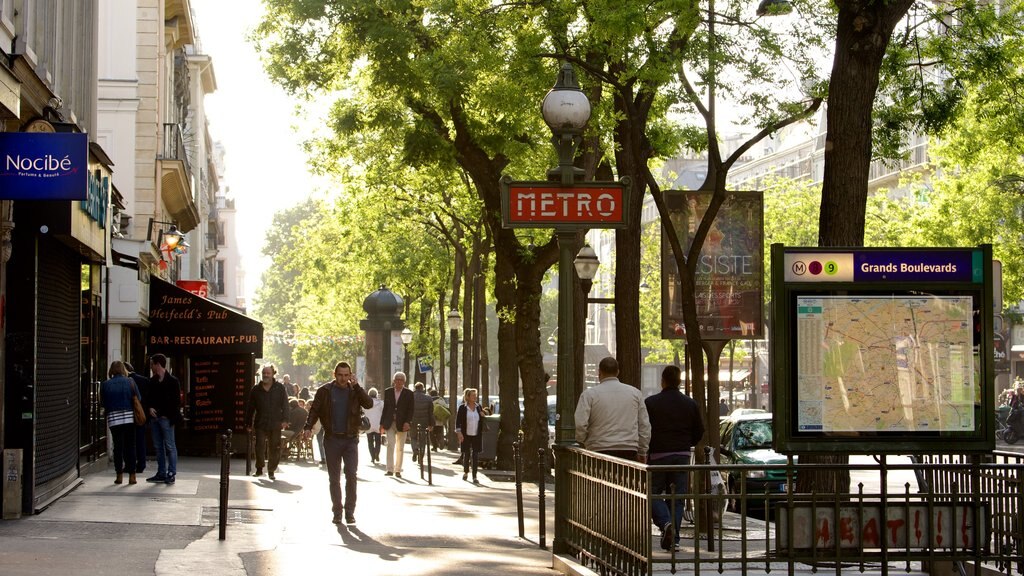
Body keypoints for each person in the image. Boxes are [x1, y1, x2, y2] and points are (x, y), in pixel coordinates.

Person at [303, 361, 372, 524]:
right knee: (334, 478)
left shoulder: (354, 391)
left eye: (346, 375)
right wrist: (308, 427)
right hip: (332, 439)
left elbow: (368, 403)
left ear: (350, 375)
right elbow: (314, 410)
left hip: (350, 440)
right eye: (340, 375)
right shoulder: (324, 391)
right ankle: (337, 512)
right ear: (335, 375)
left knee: (351, 475)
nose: (343, 378)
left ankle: (349, 512)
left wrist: (357, 387)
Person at [646, 365, 705, 551]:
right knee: (677, 497)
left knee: (653, 493)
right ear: (679, 381)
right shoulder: (690, 403)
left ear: (662, 381)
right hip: (682, 454)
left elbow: (645, 429)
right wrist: (687, 443)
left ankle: (665, 524)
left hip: (658, 454)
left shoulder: (651, 403)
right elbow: (699, 431)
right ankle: (675, 538)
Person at [574, 356, 651, 462]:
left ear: (599, 372)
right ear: (618, 372)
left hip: (598, 450)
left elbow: (580, 424)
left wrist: (583, 441)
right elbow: (644, 426)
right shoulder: (635, 393)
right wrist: (642, 450)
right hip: (628, 449)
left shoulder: (589, 395)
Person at [245, 364, 290, 480]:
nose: (265, 375)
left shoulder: (279, 388)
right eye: (264, 373)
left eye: (268, 373)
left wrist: (285, 420)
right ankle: (259, 469)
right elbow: (250, 407)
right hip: (260, 422)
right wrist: (248, 423)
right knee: (259, 446)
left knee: (275, 447)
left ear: (273, 374)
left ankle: (271, 471)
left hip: (275, 422)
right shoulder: (256, 389)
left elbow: (285, 404)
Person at [100, 360, 140, 485]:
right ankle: (132, 475)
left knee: (118, 447)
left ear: (111, 370)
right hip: (129, 418)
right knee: (131, 446)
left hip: (113, 419)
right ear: (123, 369)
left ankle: (119, 475)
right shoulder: (130, 382)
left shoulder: (105, 384)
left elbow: (103, 402)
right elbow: (138, 398)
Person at [146, 353, 182, 484]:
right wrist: (150, 408)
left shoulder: (173, 381)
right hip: (155, 418)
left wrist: (166, 413)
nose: (151, 367)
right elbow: (148, 398)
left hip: (166, 418)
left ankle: (171, 472)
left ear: (158, 364)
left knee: (170, 445)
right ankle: (161, 472)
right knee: (158, 446)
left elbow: (176, 401)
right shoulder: (152, 381)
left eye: (152, 364)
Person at [379, 371, 414, 477]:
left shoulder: (409, 393)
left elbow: (411, 409)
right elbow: (385, 408)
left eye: (401, 380)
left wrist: (408, 422)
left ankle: (398, 469)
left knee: (400, 447)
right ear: (393, 381)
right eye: (397, 379)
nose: (399, 381)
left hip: (402, 424)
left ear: (404, 382)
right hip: (389, 423)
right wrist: (381, 424)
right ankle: (389, 469)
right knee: (390, 444)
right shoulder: (388, 391)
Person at [124, 361, 151, 475]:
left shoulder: (126, 382)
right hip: (142, 414)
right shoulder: (144, 380)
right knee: (140, 440)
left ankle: (130, 464)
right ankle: (141, 464)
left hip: (129, 414)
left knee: (129, 441)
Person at [456, 388, 485, 483]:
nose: (475, 397)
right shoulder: (462, 408)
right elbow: (458, 422)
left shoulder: (478, 407)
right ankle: (465, 472)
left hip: (476, 434)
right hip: (466, 434)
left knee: (475, 455)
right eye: (473, 395)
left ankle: (475, 476)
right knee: (466, 453)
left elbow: (483, 419)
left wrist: (483, 415)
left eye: (475, 395)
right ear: (468, 397)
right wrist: (459, 433)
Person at [409, 382, 436, 463]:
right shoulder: (428, 398)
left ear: (415, 388)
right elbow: (431, 413)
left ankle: (415, 450)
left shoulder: (410, 397)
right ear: (423, 388)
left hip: (413, 421)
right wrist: (431, 424)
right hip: (424, 421)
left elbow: (408, 410)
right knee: (423, 440)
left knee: (413, 437)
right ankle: (421, 456)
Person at [363, 388, 384, 463]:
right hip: (378, 424)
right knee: (378, 441)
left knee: (370, 442)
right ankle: (377, 454)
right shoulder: (381, 403)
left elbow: (363, 412)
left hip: (368, 425)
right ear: (376, 395)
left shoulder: (365, 403)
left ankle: (372, 457)